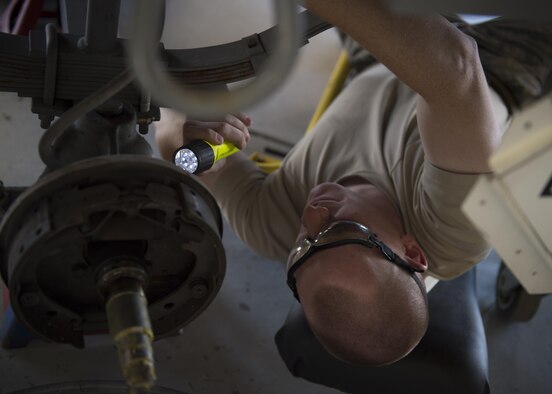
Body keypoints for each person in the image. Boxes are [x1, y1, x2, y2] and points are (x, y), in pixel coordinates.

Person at [155, 0, 551, 369]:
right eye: (342, 229)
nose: (312, 214)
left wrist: (180, 130)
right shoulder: (456, 227)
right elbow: (456, 67)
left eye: (301, 248)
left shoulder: (270, 226)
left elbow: (177, 131)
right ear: (413, 253)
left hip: (375, 59)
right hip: (498, 67)